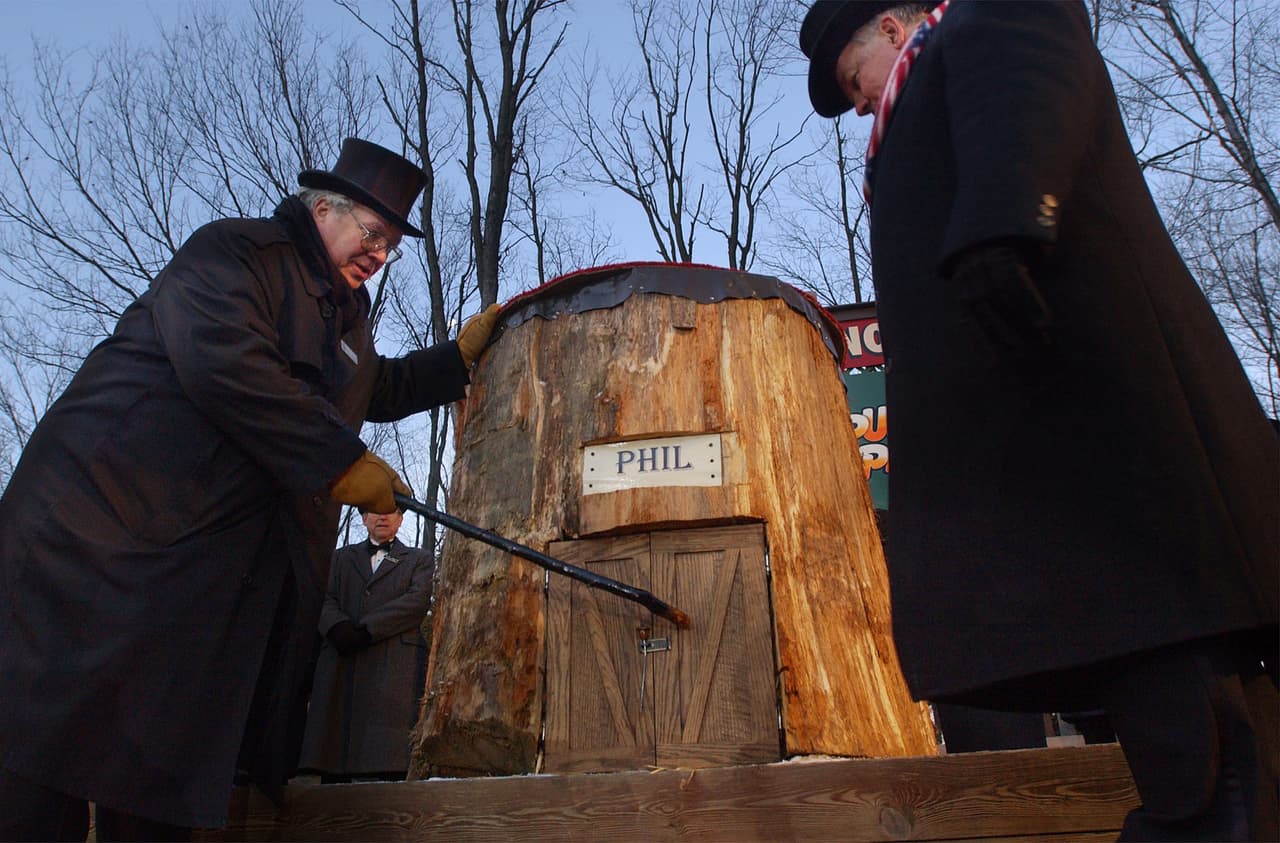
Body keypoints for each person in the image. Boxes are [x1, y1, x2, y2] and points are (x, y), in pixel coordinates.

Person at [800, 2, 1278, 840]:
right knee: (1140, 660)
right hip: (1048, 450)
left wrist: (1003, 220)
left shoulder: (976, 24)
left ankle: (1209, 813)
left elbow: (1028, 66)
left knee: (1176, 662)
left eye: (854, 79)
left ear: (891, 28)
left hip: (1106, 429)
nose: (862, 100)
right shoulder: (907, 110)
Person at [0, 137, 501, 840]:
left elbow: (375, 386)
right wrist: (338, 462)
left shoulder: (347, 318)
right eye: (372, 233)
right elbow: (224, 361)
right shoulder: (237, 253)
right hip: (94, 541)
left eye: (390, 246)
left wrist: (456, 359)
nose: (379, 254)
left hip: (182, 585)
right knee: (35, 760)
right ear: (322, 209)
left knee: (153, 781)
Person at [298, 507, 434, 781]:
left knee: (387, 757)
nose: (382, 517)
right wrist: (337, 627)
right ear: (363, 518)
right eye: (375, 512)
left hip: (394, 666)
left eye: (391, 512)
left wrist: (367, 629)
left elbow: (416, 601)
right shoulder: (339, 558)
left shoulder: (419, 559)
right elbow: (323, 596)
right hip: (341, 662)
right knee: (334, 754)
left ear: (400, 519)